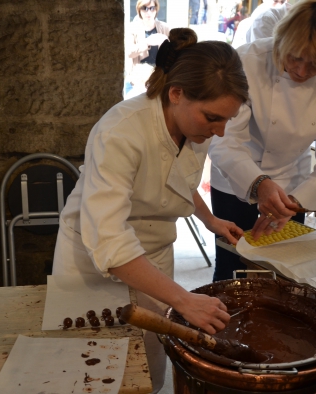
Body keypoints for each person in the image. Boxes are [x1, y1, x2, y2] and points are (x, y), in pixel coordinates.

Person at [53, 28, 249, 393]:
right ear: (176, 94)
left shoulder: (194, 129)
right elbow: (109, 240)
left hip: (153, 260)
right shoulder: (121, 131)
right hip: (92, 259)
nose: (220, 131)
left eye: (227, 120)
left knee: (143, 369)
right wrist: (184, 298)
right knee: (87, 372)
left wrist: (211, 220)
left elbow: (178, 180)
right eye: (213, 118)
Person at [208, 0, 316, 282]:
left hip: (294, 182)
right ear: (282, 40)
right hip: (235, 176)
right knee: (232, 268)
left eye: (315, 65)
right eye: (293, 57)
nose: (301, 71)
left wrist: (295, 202)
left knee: (284, 271)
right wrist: (259, 184)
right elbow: (224, 139)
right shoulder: (246, 61)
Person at [124, 0, 170, 97]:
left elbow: (172, 51)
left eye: (152, 8)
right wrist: (147, 42)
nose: (148, 12)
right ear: (139, 10)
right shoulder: (132, 28)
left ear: (156, 9)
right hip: (138, 78)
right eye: (144, 8)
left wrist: (164, 42)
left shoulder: (164, 27)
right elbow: (129, 52)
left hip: (158, 76)